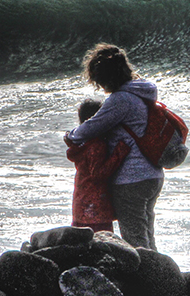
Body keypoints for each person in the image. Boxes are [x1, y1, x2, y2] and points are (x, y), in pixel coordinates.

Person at [64, 44, 164, 250]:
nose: (100, 86)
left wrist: (70, 135)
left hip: (132, 178)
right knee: (146, 233)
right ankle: (160, 277)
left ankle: (145, 279)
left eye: (99, 80)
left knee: (135, 240)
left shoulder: (121, 99)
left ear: (106, 77)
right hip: (152, 173)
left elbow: (90, 127)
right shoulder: (143, 93)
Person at [65, 98, 129, 233]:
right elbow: (98, 174)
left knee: (81, 242)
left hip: (81, 201)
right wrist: (119, 152)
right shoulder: (97, 145)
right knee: (102, 242)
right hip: (96, 205)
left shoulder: (81, 142)